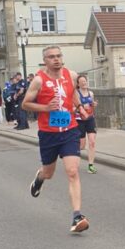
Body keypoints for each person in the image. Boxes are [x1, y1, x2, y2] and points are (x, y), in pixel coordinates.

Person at [23, 46, 89, 234]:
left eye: (59, 56)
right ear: (45, 61)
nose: (56, 60)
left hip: (70, 130)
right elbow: (25, 103)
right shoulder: (38, 80)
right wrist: (45, 108)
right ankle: (40, 178)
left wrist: (80, 108)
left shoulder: (72, 75)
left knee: (72, 171)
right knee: (49, 173)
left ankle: (77, 216)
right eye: (51, 57)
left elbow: (72, 94)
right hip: (48, 133)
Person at [75, 74, 98, 173]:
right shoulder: (76, 93)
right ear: (78, 84)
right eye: (82, 81)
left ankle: (91, 165)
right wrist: (81, 108)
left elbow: (91, 105)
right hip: (79, 120)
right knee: (82, 145)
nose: (84, 83)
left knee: (92, 142)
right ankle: (73, 158)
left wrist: (93, 105)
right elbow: (73, 108)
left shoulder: (91, 93)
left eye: (85, 81)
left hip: (90, 119)